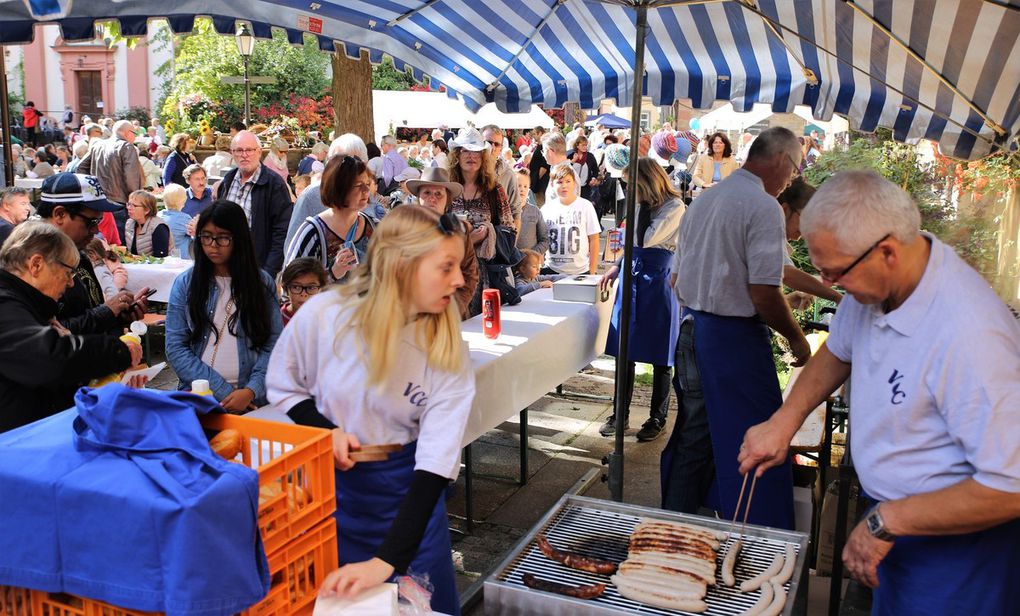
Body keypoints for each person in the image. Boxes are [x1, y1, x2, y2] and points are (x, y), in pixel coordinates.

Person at [738, 169, 1020, 614]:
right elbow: (837, 352)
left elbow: (1012, 486)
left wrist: (889, 521)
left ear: (887, 251)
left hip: (959, 556)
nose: (831, 286)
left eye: (837, 273)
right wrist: (784, 420)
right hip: (894, 522)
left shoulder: (973, 337)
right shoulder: (880, 280)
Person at [266, 205, 473, 615]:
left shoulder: (445, 346)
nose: (460, 279)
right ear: (402, 266)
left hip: (409, 500)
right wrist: (327, 429)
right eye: (446, 267)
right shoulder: (325, 315)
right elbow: (284, 383)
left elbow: (435, 464)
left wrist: (386, 562)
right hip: (333, 500)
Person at [662, 127, 808, 530]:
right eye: (794, 169)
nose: (792, 178)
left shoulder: (706, 199)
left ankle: (673, 524)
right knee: (752, 440)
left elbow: (679, 278)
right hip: (733, 340)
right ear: (780, 159)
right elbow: (763, 290)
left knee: (697, 437)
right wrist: (796, 337)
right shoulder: (762, 206)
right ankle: (749, 534)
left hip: (694, 330)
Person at [0, 222, 144, 434]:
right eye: (68, 273)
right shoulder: (5, 304)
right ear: (36, 264)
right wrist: (117, 351)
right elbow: (48, 359)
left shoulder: (27, 304)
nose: (70, 283)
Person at [166, 201, 282, 411]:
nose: (212, 245)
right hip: (199, 396)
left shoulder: (261, 284)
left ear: (239, 239)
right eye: (206, 236)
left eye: (223, 237)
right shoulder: (186, 283)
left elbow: (274, 344)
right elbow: (175, 347)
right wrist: (225, 392)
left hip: (254, 401)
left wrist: (251, 390)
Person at [598, 158, 685, 441]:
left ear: (646, 182)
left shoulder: (674, 207)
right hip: (632, 275)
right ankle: (619, 415)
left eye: (632, 184)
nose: (628, 189)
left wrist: (634, 217)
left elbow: (645, 239)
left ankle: (657, 417)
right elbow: (630, 243)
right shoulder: (639, 206)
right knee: (625, 349)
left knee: (662, 351)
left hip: (659, 279)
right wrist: (617, 264)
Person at [37, 173, 149, 335]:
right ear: (60, 214)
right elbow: (46, 334)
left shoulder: (78, 252)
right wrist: (107, 312)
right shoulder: (34, 264)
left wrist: (118, 314)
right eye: (91, 222)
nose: (96, 230)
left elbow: (87, 312)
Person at [448, 128, 515, 314]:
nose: (471, 156)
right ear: (456, 155)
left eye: (476, 151)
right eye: (465, 150)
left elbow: (510, 229)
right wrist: (469, 239)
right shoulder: (447, 189)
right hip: (452, 271)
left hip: (486, 274)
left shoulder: (494, 190)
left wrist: (489, 233)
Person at [213, 131, 293, 278]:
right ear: (232, 153)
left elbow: (282, 232)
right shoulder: (228, 181)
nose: (244, 155)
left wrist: (268, 273)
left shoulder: (274, 184)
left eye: (249, 150)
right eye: (239, 150)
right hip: (225, 267)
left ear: (259, 152)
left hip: (256, 268)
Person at [285, 155, 375, 283]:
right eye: (358, 185)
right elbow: (292, 284)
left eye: (367, 184)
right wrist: (332, 273)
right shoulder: (313, 233)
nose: (366, 190)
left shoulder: (374, 227)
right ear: (339, 187)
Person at [405, 167, 479, 320]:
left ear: (447, 200)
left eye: (439, 194)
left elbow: (470, 275)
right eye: (427, 193)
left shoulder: (460, 231)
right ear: (418, 197)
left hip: (451, 315)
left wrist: (452, 310)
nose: (433, 198)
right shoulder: (405, 231)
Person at [285, 133, 369, 250]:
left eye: (358, 163)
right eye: (344, 164)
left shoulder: (368, 196)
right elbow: (293, 249)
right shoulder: (312, 196)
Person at [775, 179, 842, 308]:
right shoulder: (765, 234)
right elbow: (786, 273)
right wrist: (837, 297)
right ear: (784, 210)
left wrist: (787, 302)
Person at [77, 119, 142, 242]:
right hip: (119, 203)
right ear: (128, 133)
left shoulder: (98, 145)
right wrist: (136, 200)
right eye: (135, 133)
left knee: (103, 241)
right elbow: (131, 177)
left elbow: (80, 167)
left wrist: (92, 189)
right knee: (119, 244)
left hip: (98, 201)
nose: (135, 137)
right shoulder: (127, 147)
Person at [540, 162, 600, 276]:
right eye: (559, 182)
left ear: (574, 184)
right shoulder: (546, 209)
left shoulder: (585, 206)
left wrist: (592, 269)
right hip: (552, 270)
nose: (564, 186)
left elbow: (594, 239)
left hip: (580, 270)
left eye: (568, 181)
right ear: (552, 185)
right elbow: (541, 239)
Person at [480, 125, 519, 218]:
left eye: (496, 144)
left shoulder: (508, 175)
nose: (492, 147)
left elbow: (516, 212)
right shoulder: (469, 170)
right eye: (488, 142)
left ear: (501, 148)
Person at [278, 257, 327, 326]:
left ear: (321, 289)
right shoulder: (275, 320)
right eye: (296, 287)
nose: (304, 294)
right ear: (286, 288)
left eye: (311, 287)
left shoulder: (328, 320)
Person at [124, 190, 172, 258]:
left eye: (134, 205)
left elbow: (161, 257)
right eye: (128, 204)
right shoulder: (129, 223)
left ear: (146, 210)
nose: (129, 208)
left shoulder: (159, 227)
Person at [514, 169, 548, 254]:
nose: (522, 189)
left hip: (530, 262)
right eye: (519, 186)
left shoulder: (535, 211)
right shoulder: (506, 212)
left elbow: (545, 239)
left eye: (525, 186)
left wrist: (532, 254)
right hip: (510, 262)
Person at [159, 183, 192, 259]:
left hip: (161, 257)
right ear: (183, 201)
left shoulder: (158, 216)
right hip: (180, 259)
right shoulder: (185, 219)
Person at [567, 135, 601, 204]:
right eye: (583, 145)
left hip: (585, 187)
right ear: (577, 145)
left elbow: (595, 170)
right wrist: (573, 161)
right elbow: (565, 169)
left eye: (586, 145)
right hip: (571, 187)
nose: (585, 147)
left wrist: (593, 178)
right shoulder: (570, 155)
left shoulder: (590, 156)